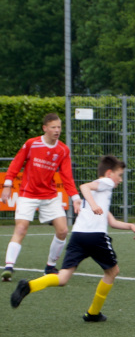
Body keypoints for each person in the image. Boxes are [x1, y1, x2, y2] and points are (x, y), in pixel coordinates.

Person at [10, 155, 135, 322]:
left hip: (78, 235)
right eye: (119, 175)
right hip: (95, 237)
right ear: (109, 173)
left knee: (62, 278)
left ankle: (28, 286)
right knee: (112, 271)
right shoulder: (105, 184)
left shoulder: (101, 194)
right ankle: (93, 313)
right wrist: (93, 205)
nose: (120, 180)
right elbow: (84, 186)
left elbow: (111, 221)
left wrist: (130, 226)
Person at [2, 112, 82, 281]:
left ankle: (50, 267)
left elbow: (67, 176)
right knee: (21, 228)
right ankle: (9, 267)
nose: (57, 130)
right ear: (45, 128)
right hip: (28, 194)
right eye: (53, 127)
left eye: (59, 127)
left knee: (63, 230)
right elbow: (16, 163)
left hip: (50, 196)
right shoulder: (32, 144)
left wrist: (75, 198)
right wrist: (7, 185)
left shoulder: (63, 150)